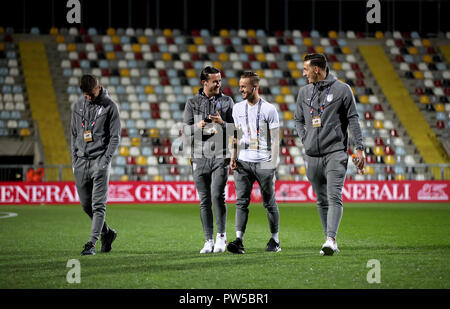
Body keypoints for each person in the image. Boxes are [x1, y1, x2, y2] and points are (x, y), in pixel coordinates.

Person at [294, 53, 365, 256]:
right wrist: (305, 139)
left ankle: (330, 239)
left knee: (334, 196)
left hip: (336, 152)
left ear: (317, 69)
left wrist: (358, 148)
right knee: (321, 200)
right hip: (312, 155)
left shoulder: (343, 90)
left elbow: (353, 119)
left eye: (306, 69)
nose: (303, 73)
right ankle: (329, 239)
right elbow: (298, 119)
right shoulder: (303, 92)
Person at [228, 71, 281, 254]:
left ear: (254, 87)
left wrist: (272, 164)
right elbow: (236, 135)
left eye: (244, 86)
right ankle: (239, 240)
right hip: (243, 162)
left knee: (269, 203)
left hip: (264, 162)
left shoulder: (269, 109)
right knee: (241, 202)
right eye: (240, 85)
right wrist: (233, 157)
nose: (240, 89)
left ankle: (275, 240)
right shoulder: (237, 108)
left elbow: (275, 140)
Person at [183, 66, 234, 253]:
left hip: (220, 155)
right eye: (215, 81)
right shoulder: (192, 102)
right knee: (204, 200)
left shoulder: (228, 101)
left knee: (216, 195)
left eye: (220, 80)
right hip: (198, 156)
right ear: (204, 82)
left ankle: (221, 236)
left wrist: (222, 123)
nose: (219, 84)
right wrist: (200, 124)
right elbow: (186, 131)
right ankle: (208, 240)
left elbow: (236, 130)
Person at [71, 74, 120, 256]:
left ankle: (91, 243)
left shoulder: (110, 107)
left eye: (91, 94)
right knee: (86, 206)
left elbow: (115, 137)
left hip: (100, 161)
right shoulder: (78, 106)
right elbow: (74, 134)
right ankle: (107, 234)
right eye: (86, 95)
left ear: (98, 87)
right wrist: (74, 160)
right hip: (81, 162)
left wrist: (104, 162)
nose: (89, 97)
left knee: (98, 205)